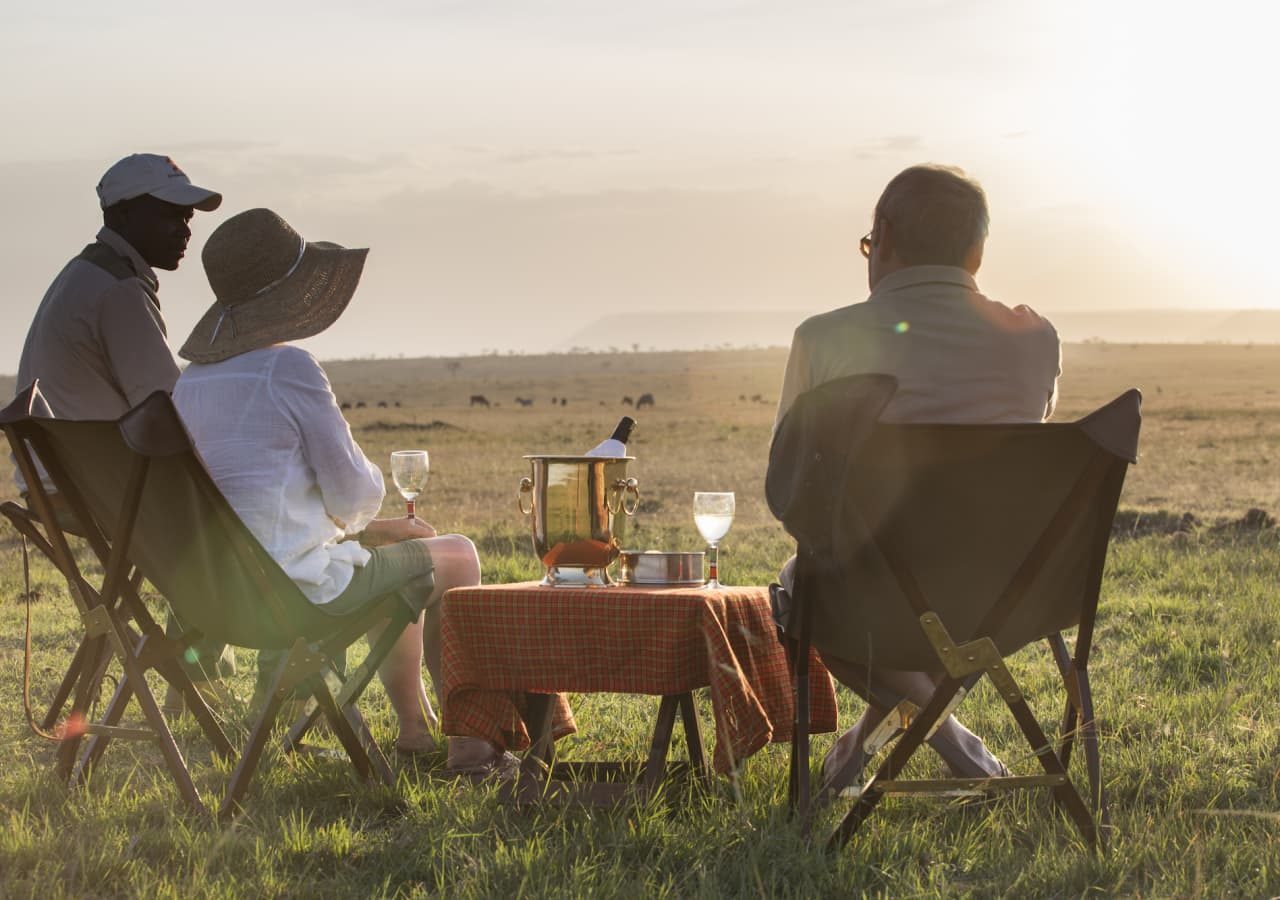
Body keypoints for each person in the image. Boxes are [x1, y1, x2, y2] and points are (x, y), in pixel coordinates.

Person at [172, 207, 499, 766]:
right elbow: (355, 497)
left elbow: (259, 506)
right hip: (298, 596)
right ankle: (471, 747)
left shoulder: (190, 385)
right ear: (290, 294)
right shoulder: (289, 368)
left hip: (224, 598)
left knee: (397, 557)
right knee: (459, 555)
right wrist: (371, 507)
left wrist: (370, 531)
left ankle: (414, 733)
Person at [773, 164, 1061, 798]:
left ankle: (952, 747)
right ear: (978, 251)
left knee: (798, 596)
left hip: (868, 597)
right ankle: (929, 746)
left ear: (885, 234)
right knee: (915, 616)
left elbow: (789, 494)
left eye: (870, 245)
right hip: (1008, 596)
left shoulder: (823, 340)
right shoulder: (1035, 339)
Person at [13, 153, 237, 689]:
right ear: (125, 214)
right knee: (238, 501)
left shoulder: (87, 274)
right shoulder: (118, 291)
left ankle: (200, 666)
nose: (185, 229)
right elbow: (167, 410)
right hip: (100, 489)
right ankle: (216, 660)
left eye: (188, 217)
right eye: (171, 214)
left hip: (64, 482)